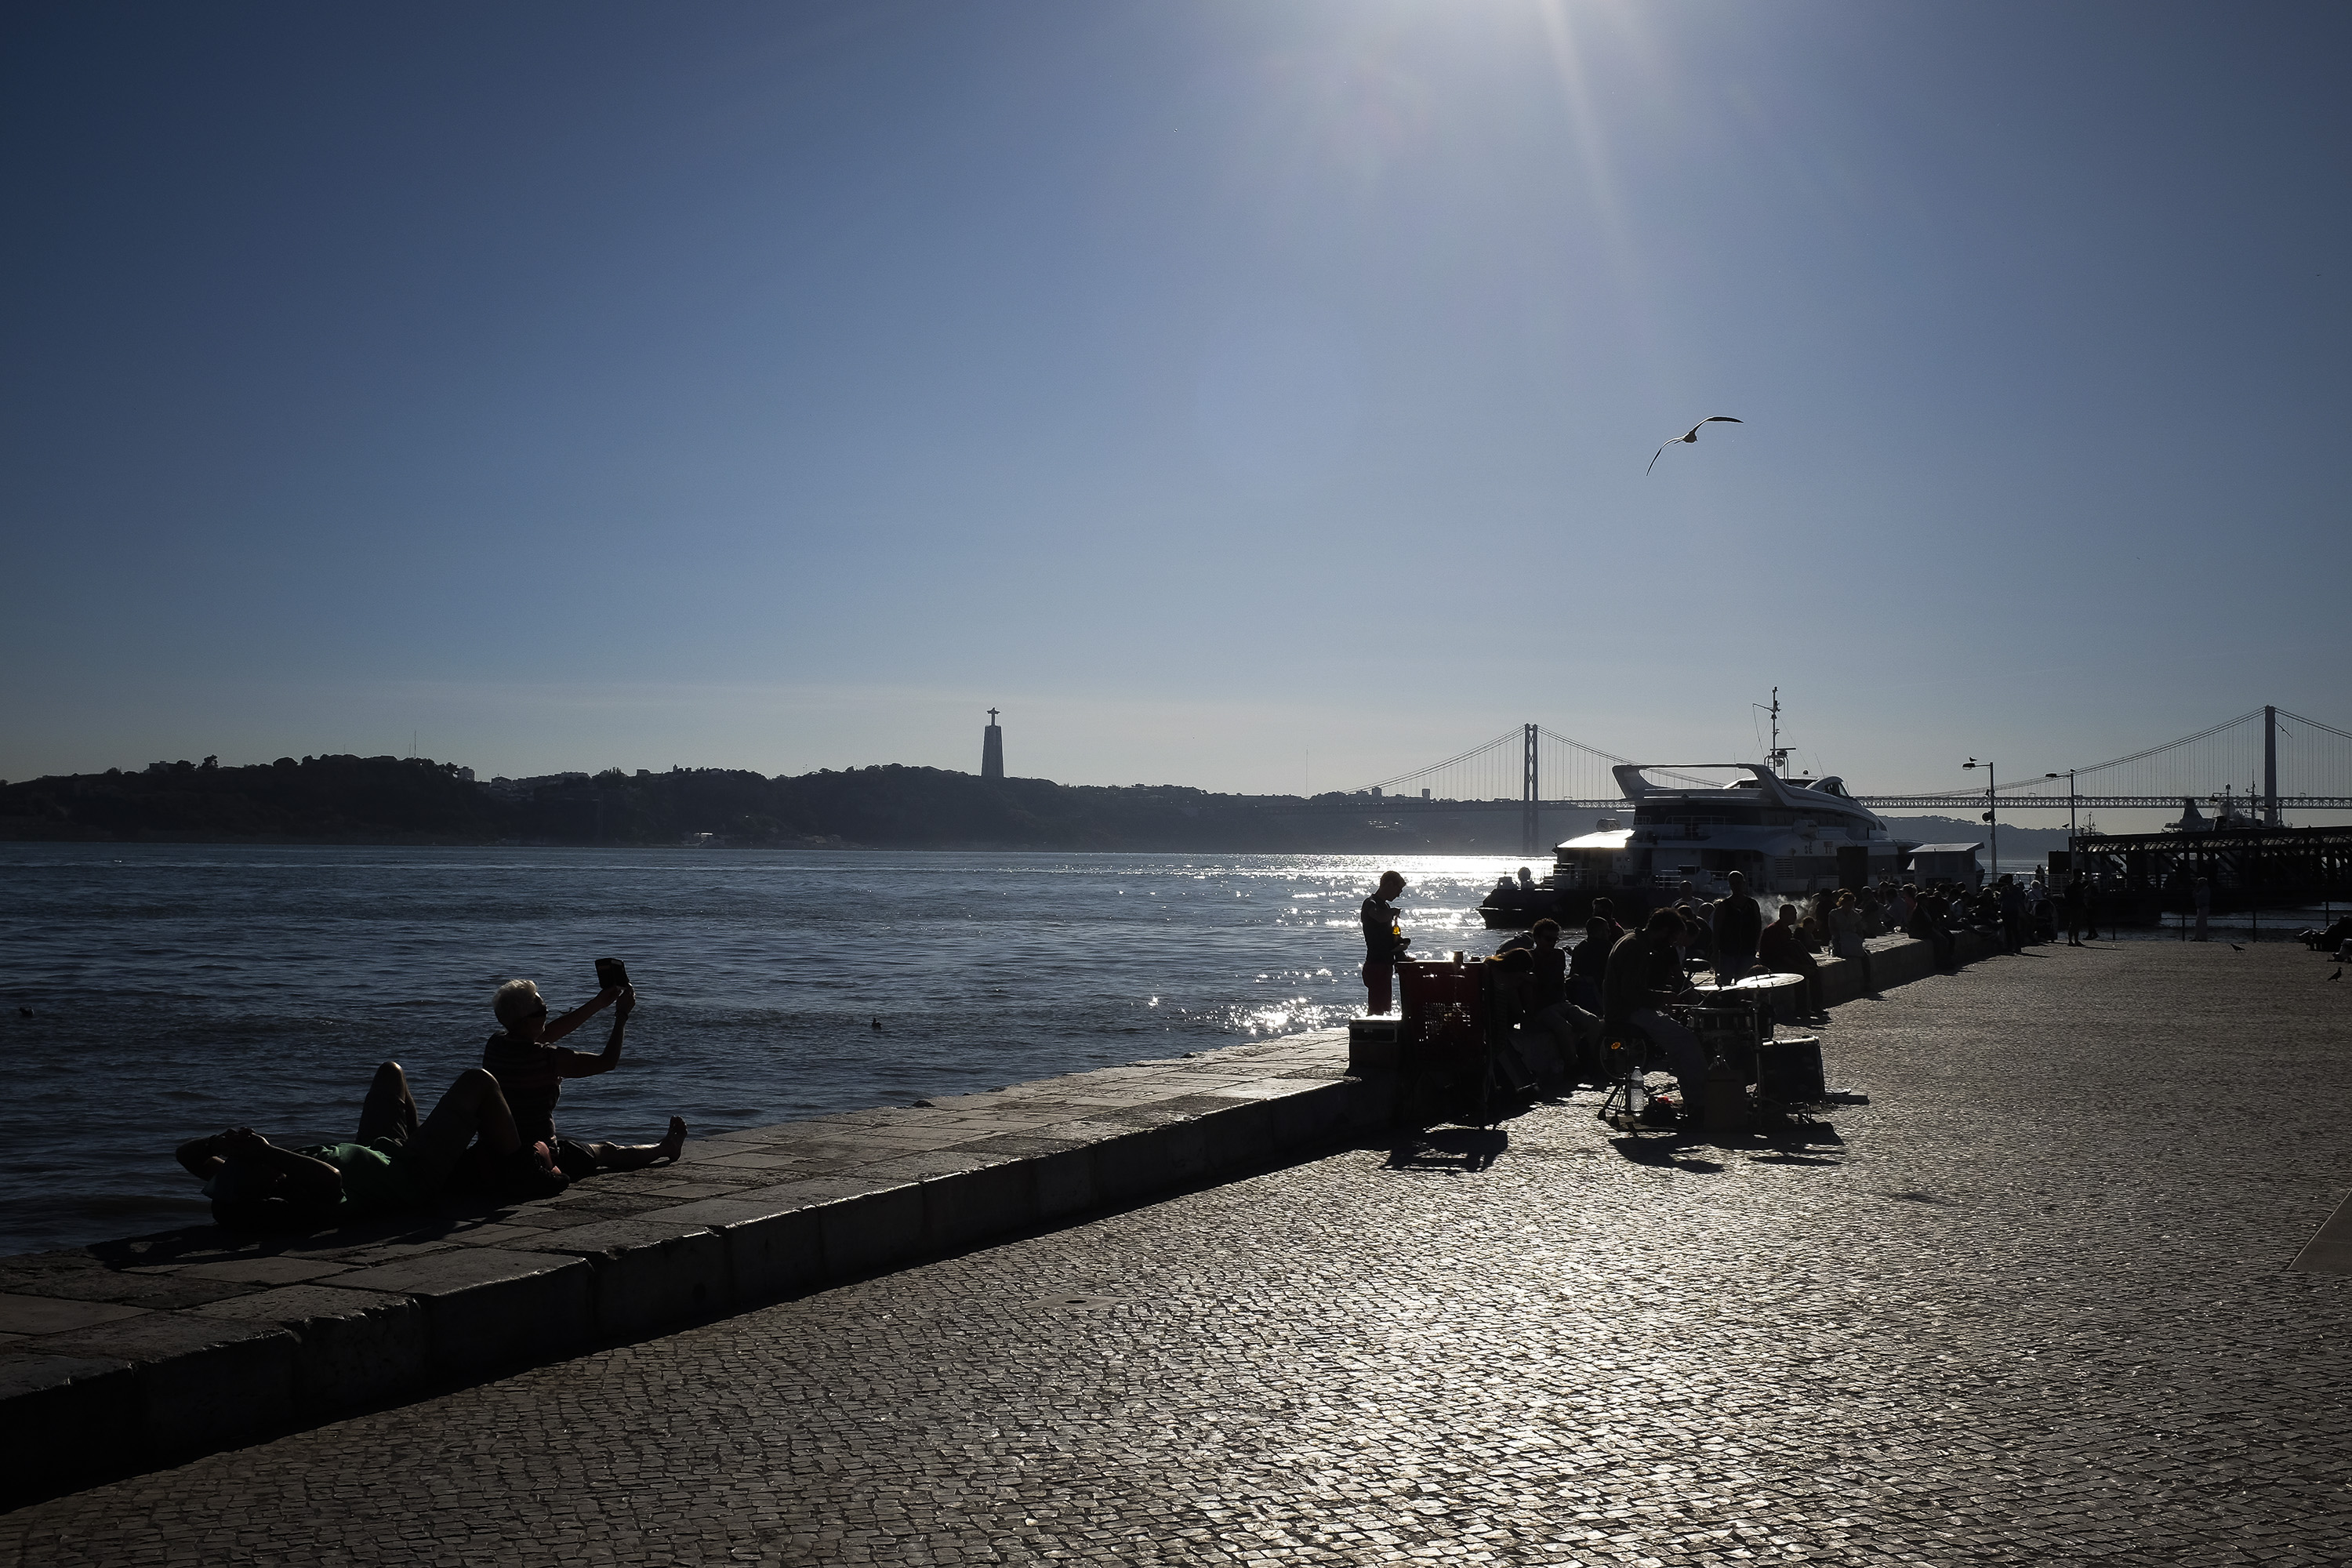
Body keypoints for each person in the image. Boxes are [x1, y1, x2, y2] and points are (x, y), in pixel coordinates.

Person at [176, 1062, 564, 1230]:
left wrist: (219, 1141)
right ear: (262, 1185)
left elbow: (185, 1155)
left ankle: (429, 1143)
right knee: (479, 1082)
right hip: (411, 1175)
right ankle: (521, 1170)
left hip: (382, 1149)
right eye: (255, 1166)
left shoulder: (242, 1182)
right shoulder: (301, 1192)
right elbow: (330, 1177)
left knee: (390, 1073)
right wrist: (263, 1150)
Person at [484, 979, 686, 1178]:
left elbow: (549, 1033)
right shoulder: (547, 1058)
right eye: (543, 1011)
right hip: (542, 1154)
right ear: (527, 1021)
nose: (547, 1014)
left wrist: (598, 1003)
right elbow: (607, 1061)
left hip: (498, 1148)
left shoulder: (496, 1044)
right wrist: (622, 1015)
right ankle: (666, 1147)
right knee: (607, 1151)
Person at [1602, 909, 1710, 1123]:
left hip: (1623, 1008)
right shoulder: (1636, 948)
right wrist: (1661, 998)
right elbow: (1630, 993)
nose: (1671, 944)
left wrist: (1659, 997)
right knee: (1686, 1039)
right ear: (1664, 931)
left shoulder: (1631, 940)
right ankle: (1700, 1102)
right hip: (1627, 1012)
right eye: (1672, 938)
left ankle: (1695, 1100)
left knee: (1677, 1041)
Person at [1759, 903, 1825, 1017]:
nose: (1795, 917)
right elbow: (1779, 956)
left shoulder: (1787, 931)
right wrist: (1800, 967)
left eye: (1795, 914)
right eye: (1791, 914)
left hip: (1784, 961)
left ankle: (1816, 1005)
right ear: (1782, 915)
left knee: (1814, 972)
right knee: (1801, 975)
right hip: (1773, 964)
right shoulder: (1773, 930)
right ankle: (1801, 1009)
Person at [1359, 870, 1410, 1014]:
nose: (1399, 894)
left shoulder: (1385, 907)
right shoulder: (1371, 903)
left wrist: (1401, 953)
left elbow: (1390, 936)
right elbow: (1378, 917)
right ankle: (1371, 1034)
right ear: (1388, 885)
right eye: (1398, 889)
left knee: (1383, 1007)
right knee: (1376, 1008)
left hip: (1386, 963)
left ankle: (1375, 1032)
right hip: (1376, 964)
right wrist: (1392, 912)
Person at [1712, 871, 1763, 984]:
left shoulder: (1752, 904)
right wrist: (1716, 952)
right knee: (1725, 984)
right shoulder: (1723, 906)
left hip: (1747, 951)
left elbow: (1758, 926)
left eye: (1739, 883)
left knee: (1743, 984)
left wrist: (1755, 946)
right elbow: (1717, 930)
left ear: (1744, 883)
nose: (1737, 886)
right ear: (1730, 885)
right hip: (1727, 952)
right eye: (1733, 883)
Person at [1829, 888, 1875, 990]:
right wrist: (1842, 938)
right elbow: (1833, 930)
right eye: (1848, 904)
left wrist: (1858, 940)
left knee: (1865, 957)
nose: (1850, 907)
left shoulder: (1854, 915)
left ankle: (1867, 982)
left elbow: (1859, 931)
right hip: (1840, 939)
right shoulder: (1834, 914)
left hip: (1852, 939)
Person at [2193, 877, 2212, 942]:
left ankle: (2202, 937)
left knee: (2202, 922)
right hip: (2200, 907)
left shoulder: (2205, 889)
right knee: (2199, 922)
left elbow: (2199, 896)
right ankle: (2197, 937)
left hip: (2203, 907)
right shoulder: (2203, 889)